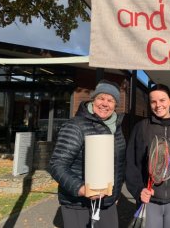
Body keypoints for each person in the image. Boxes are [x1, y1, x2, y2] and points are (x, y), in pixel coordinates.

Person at [49, 79, 126, 228]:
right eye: (101, 98)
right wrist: (81, 189)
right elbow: (56, 164)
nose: (105, 104)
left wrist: (115, 195)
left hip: (106, 202)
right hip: (78, 203)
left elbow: (118, 165)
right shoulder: (75, 126)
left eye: (110, 100)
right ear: (93, 99)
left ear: (115, 105)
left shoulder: (116, 128)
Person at [126, 84, 170, 228]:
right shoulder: (141, 127)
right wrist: (138, 190)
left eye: (162, 100)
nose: (158, 105)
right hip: (150, 200)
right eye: (153, 102)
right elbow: (131, 163)